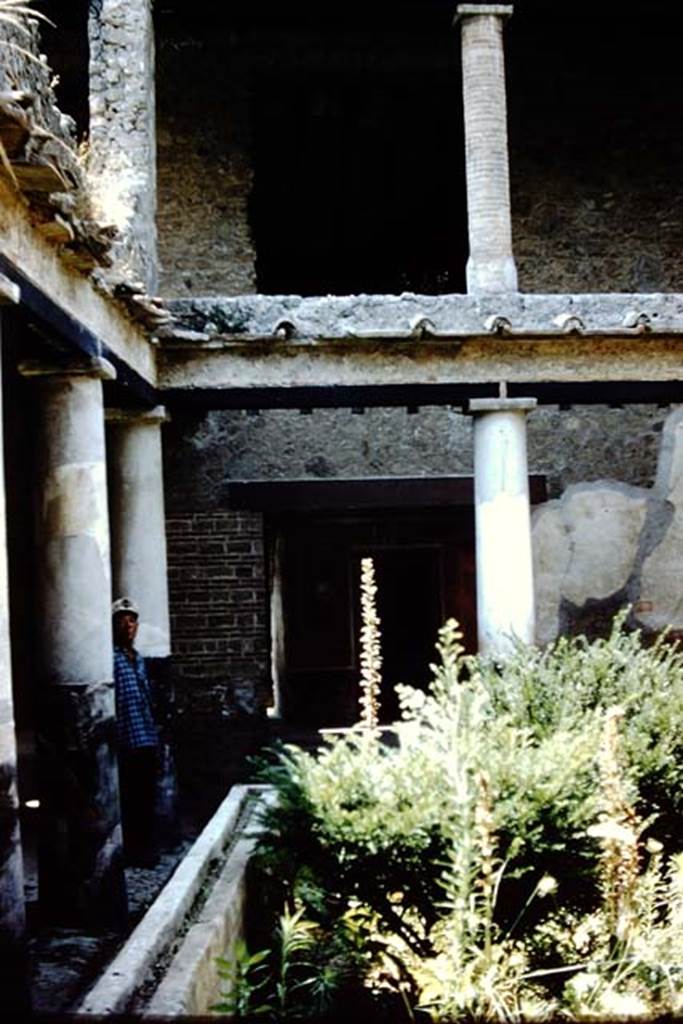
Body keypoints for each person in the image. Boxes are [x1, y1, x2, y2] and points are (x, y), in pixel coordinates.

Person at [112, 596, 159, 867]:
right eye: (122, 621)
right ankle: (133, 850)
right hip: (127, 741)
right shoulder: (112, 659)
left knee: (146, 797)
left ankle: (145, 848)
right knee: (131, 799)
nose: (128, 626)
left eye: (132, 621)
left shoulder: (138, 659)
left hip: (146, 738)